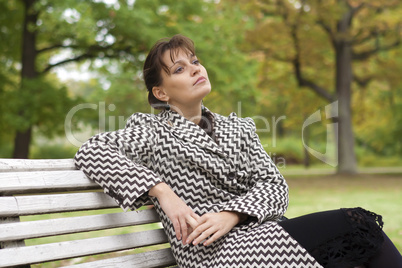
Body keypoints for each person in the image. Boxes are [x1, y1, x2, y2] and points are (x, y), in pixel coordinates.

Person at [74, 34, 402, 268]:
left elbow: (274, 186)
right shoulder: (152, 130)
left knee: (351, 252)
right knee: (357, 224)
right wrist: (161, 191)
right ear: (161, 92)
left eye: (195, 62)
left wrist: (232, 214)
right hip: (212, 253)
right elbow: (93, 150)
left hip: (259, 233)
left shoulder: (239, 128)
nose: (195, 69)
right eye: (179, 69)